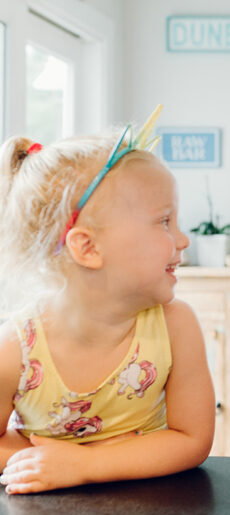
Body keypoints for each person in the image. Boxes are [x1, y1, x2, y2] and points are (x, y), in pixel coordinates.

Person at [0, 107, 215, 494]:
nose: (183, 240)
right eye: (164, 221)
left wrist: (84, 464)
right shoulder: (15, 348)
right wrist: (56, 462)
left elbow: (192, 439)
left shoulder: (176, 325)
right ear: (87, 247)